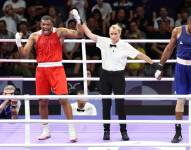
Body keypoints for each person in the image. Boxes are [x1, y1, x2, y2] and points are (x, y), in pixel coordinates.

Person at [71, 9, 154, 141]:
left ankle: (123, 131)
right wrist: (78, 19)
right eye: (111, 33)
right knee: (106, 104)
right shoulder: (103, 41)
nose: (113, 36)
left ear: (119, 34)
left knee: (120, 104)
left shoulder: (125, 45)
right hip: (105, 76)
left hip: (118, 77)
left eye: (115, 33)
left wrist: (153, 64)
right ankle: (106, 131)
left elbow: (139, 54)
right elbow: (88, 33)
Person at [15, 15, 83, 142]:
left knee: (63, 99)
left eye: (48, 25)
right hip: (41, 70)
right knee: (42, 101)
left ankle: (72, 131)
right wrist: (18, 43)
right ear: (40, 25)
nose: (45, 27)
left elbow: (79, 34)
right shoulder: (34, 36)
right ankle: (45, 130)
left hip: (57, 68)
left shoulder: (60, 32)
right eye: (43, 25)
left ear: (52, 24)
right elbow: (24, 54)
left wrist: (78, 20)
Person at [154, 16, 191, 143]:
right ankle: (178, 133)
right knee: (180, 101)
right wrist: (160, 66)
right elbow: (169, 49)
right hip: (181, 69)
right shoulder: (178, 31)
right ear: (188, 23)